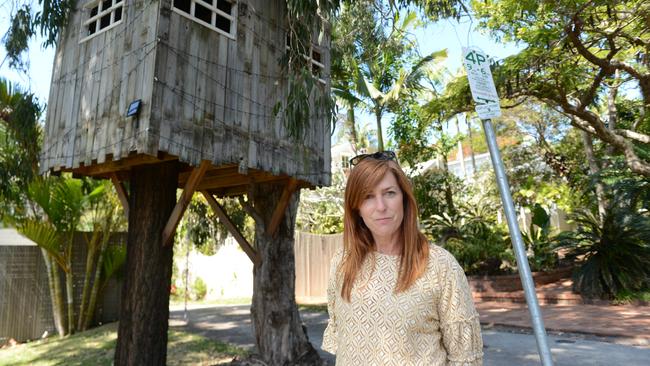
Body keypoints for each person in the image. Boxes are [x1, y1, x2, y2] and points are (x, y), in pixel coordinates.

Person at [322, 151, 483, 365]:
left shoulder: (440, 266)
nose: (380, 207)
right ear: (356, 207)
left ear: (404, 199)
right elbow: (342, 342)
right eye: (367, 196)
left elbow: (466, 358)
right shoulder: (343, 262)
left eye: (389, 193)